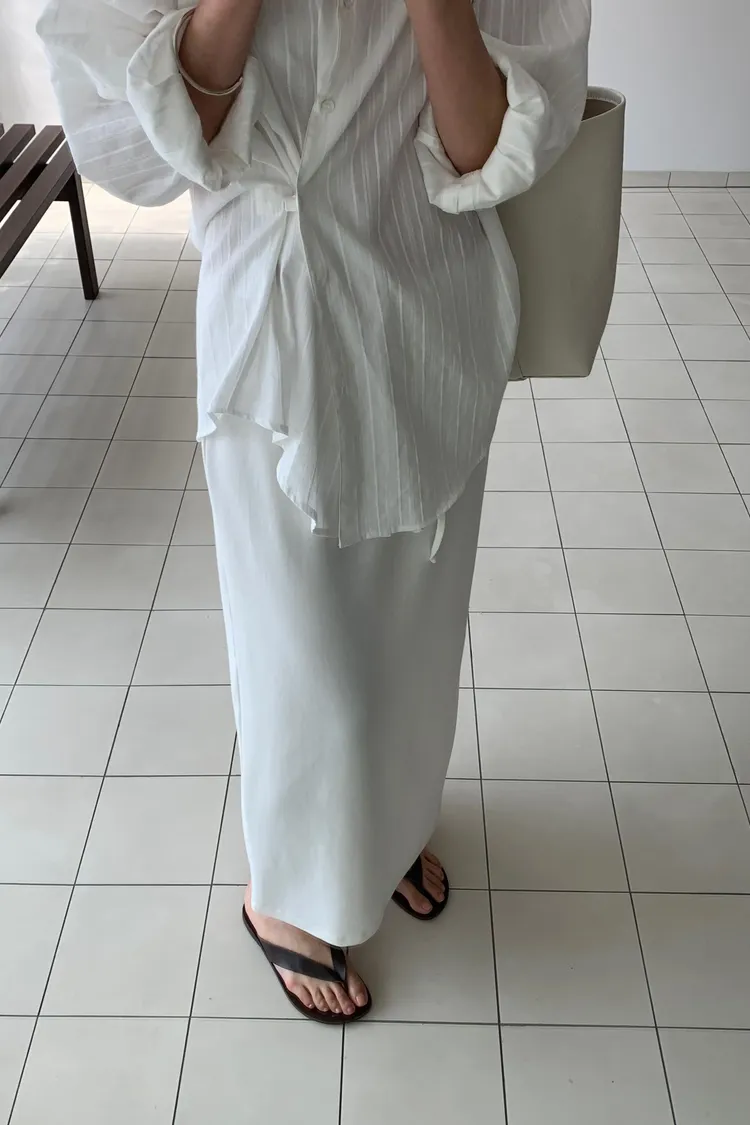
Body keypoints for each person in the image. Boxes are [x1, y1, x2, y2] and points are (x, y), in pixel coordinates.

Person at [38, 0, 590, 1025]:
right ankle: (288, 895)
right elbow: (155, 146)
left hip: (429, 303)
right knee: (305, 652)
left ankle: (387, 831)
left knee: (414, 629)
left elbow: (486, 149)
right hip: (273, 325)